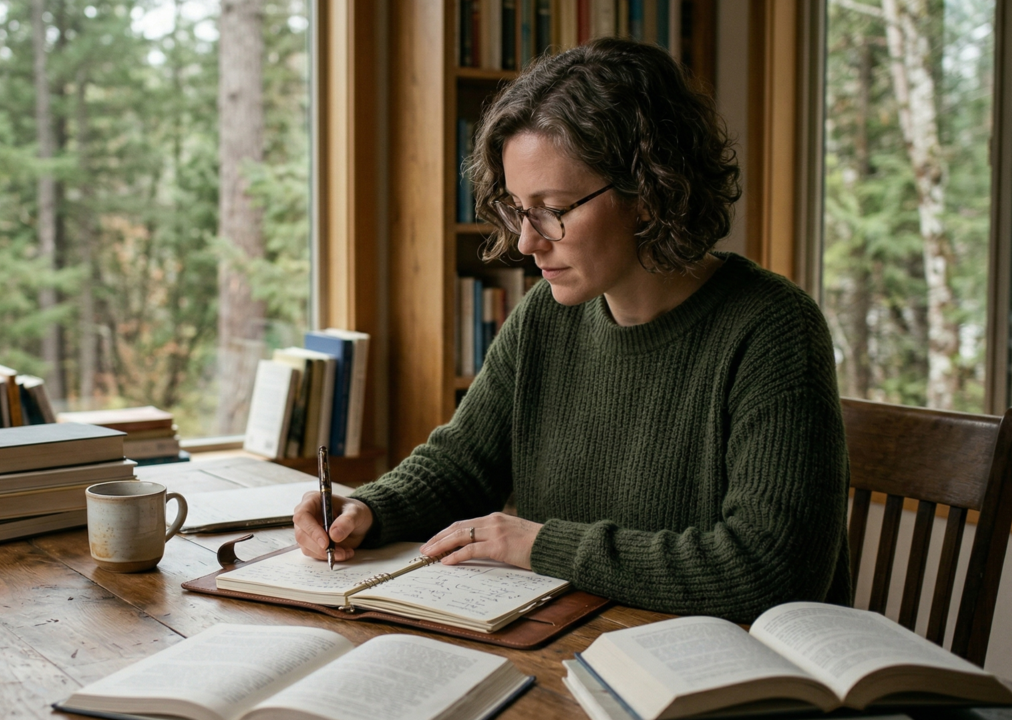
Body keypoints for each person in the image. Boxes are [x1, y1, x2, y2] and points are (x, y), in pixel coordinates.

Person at [293, 38, 851, 623]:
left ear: (648, 193)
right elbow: (463, 464)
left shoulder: (772, 328)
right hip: (576, 642)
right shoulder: (547, 315)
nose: (527, 241)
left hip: (726, 665)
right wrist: (367, 509)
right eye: (518, 208)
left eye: (553, 208)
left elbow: (769, 568)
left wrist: (539, 544)